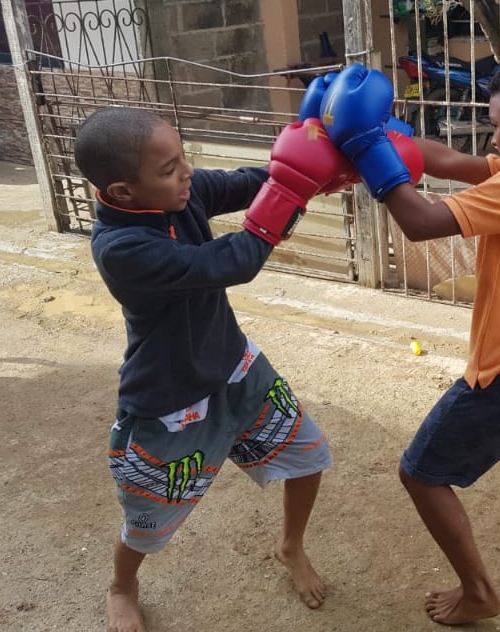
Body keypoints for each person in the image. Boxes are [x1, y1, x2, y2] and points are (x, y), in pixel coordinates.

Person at [310, 54, 500, 625]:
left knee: (420, 474)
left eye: (496, 123)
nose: (490, 135)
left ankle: (479, 592)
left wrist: (371, 156)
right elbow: (450, 160)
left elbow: (419, 222)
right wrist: (385, 136)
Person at [74, 106, 347, 632]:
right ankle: (122, 585)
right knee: (148, 520)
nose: (187, 173)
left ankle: (289, 547)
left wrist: (317, 166)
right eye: (169, 167)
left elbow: (251, 181)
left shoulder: (181, 191)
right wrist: (291, 197)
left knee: (309, 455)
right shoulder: (121, 248)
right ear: (124, 191)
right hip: (170, 400)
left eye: (183, 159)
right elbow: (234, 261)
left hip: (236, 369)